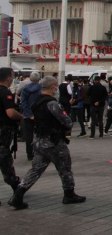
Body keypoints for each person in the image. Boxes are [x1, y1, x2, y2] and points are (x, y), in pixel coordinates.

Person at [8, 76, 86, 209]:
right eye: (56, 86)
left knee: (35, 170)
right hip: (53, 142)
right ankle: (69, 194)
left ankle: (18, 195)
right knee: (65, 168)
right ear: (53, 87)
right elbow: (66, 121)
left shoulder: (36, 102)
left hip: (39, 141)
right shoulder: (52, 103)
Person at [0, 67, 24, 206]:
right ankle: (17, 190)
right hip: (3, 132)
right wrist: (20, 117)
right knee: (5, 161)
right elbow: (10, 113)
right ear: (8, 78)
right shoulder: (5, 93)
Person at [20, 72, 42, 161]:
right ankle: (40, 152)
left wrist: (28, 114)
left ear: (30, 78)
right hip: (39, 115)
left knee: (29, 135)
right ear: (39, 79)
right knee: (41, 135)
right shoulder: (41, 89)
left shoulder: (25, 89)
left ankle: (29, 154)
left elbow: (23, 102)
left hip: (27, 116)